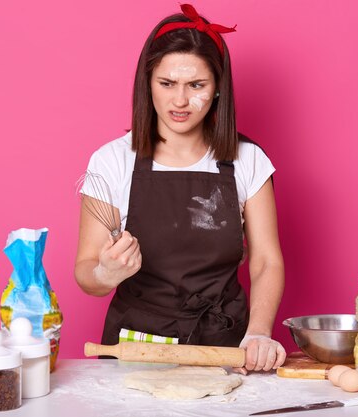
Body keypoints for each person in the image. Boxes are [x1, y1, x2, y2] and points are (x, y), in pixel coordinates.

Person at [75, 4, 285, 374]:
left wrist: (258, 332)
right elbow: (87, 273)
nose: (180, 101)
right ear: (148, 82)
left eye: (197, 85)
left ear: (218, 87)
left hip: (223, 350)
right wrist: (105, 274)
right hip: (137, 348)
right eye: (167, 83)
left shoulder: (248, 160)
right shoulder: (111, 162)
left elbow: (267, 260)